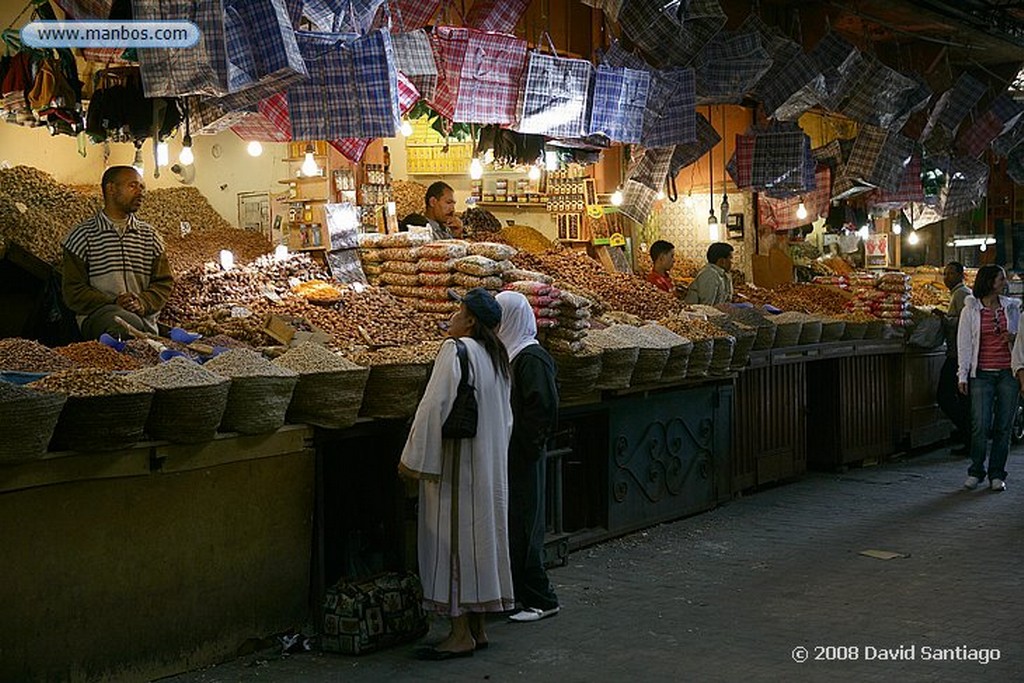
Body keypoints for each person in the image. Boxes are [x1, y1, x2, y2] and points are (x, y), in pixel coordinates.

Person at [399, 288, 514, 659]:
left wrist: (414, 460)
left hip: (458, 466)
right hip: (488, 466)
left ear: (471, 321)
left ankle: (459, 632)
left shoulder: (455, 350)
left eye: (458, 310)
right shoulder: (497, 358)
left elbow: (434, 407)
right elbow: (506, 420)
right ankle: (478, 629)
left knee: (453, 542)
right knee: (481, 543)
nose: (452, 316)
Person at [495, 291, 561, 623]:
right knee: (514, 524)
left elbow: (543, 409)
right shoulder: (512, 353)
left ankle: (542, 598)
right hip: (513, 452)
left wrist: (528, 448)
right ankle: (518, 595)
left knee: (525, 523)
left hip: (523, 454)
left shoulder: (531, 358)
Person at [61, 165, 173, 339]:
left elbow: (163, 283)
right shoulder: (82, 237)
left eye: (142, 187)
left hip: (145, 322)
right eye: (133, 186)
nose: (140, 192)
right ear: (111, 189)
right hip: (100, 318)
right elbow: (73, 291)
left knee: (135, 327)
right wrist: (113, 301)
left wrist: (142, 302)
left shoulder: (150, 236)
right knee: (124, 325)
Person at [957, 264, 1019, 492]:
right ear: (990, 282)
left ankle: (997, 473)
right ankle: (976, 470)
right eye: (1001, 279)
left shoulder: (1012, 308)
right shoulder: (970, 310)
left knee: (1004, 426)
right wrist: (962, 374)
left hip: (1007, 374)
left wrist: (1012, 337)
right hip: (981, 373)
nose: (1005, 282)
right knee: (980, 425)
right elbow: (964, 344)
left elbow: (1021, 340)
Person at [935, 262, 971, 455]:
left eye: (950, 274)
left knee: (945, 395)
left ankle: (968, 432)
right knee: (959, 396)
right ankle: (966, 432)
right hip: (956, 353)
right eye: (945, 274)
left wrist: (944, 318)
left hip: (959, 354)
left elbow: (966, 321)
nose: (946, 277)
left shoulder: (961, 294)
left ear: (960, 274)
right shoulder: (959, 293)